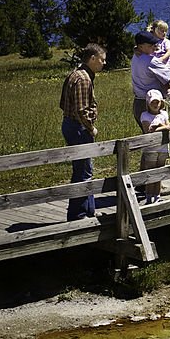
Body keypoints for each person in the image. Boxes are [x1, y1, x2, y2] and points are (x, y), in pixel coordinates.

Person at [60, 44, 106, 221]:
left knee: (83, 169)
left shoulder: (75, 73)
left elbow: (63, 104)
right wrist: (90, 127)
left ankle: (89, 210)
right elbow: (81, 110)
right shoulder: (84, 79)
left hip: (70, 125)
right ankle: (78, 214)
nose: (104, 63)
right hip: (78, 128)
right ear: (92, 58)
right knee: (84, 172)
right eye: (102, 59)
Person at [132, 30, 170, 130]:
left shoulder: (136, 56)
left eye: (154, 43)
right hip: (152, 103)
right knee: (158, 136)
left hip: (138, 102)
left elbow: (135, 49)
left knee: (148, 136)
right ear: (141, 47)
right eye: (150, 45)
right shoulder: (151, 61)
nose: (154, 46)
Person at [139, 89, 170, 204]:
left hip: (163, 147)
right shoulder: (144, 115)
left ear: (161, 103)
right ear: (148, 104)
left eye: (157, 102)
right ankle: (149, 196)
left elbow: (169, 125)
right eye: (152, 103)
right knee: (150, 173)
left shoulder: (164, 113)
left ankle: (157, 196)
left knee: (159, 172)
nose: (155, 105)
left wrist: (159, 126)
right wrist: (162, 126)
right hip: (151, 148)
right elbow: (148, 130)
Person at [148, 19, 170, 120]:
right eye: (161, 31)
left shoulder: (166, 42)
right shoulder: (152, 41)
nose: (163, 33)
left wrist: (160, 60)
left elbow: (168, 52)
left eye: (165, 31)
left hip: (165, 66)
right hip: (156, 67)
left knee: (165, 85)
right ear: (154, 30)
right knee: (163, 88)